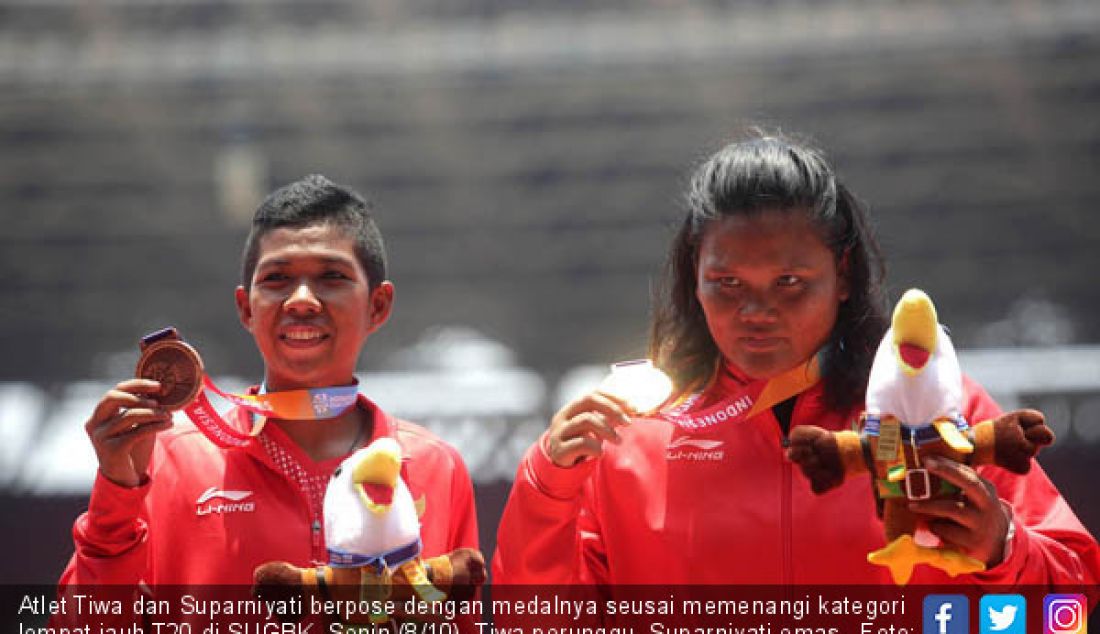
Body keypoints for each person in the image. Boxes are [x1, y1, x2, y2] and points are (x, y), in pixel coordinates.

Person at [492, 133, 1100, 587]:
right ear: (692, 281)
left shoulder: (935, 407)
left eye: (789, 282)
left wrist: (1004, 548)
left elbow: (1070, 602)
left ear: (842, 277)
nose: (756, 310)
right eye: (726, 283)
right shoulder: (628, 435)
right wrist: (547, 486)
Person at [55, 175, 479, 623]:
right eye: (276, 279)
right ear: (246, 308)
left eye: (331, 276)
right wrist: (116, 500)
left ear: (378, 305)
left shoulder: (435, 467)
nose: (300, 300)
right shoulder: (166, 463)